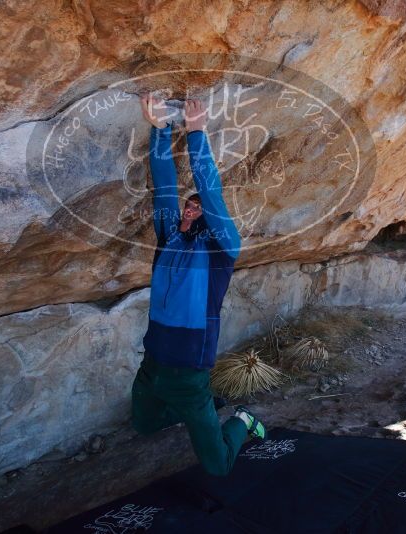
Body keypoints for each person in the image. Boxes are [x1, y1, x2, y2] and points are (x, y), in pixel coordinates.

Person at [130, 92, 267, 477]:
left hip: (189, 371)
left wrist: (196, 134)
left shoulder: (222, 249)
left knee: (219, 466)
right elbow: (164, 188)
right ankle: (205, 409)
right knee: (143, 425)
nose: (191, 208)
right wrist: (159, 130)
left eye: (197, 207)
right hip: (152, 363)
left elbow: (212, 193)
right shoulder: (169, 238)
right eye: (187, 206)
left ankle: (241, 421)